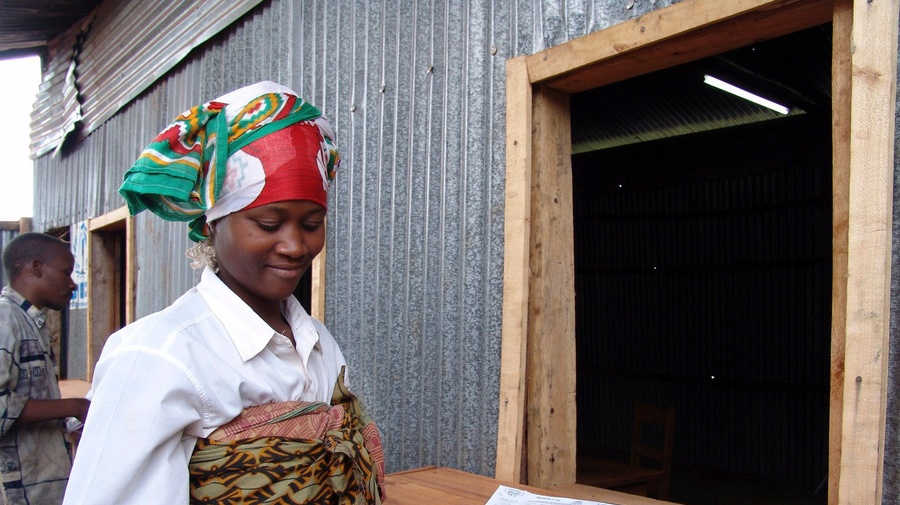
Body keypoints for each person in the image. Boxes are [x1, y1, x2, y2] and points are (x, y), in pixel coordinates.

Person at [63, 81, 384, 505]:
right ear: (214, 223)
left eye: (311, 224)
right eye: (269, 224)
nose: (295, 246)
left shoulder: (319, 344)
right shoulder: (160, 356)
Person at [0, 232, 90, 505]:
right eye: (66, 273)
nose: (72, 284)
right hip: (19, 490)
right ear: (36, 268)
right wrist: (75, 406)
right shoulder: (5, 319)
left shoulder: (30, 322)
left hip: (40, 485)